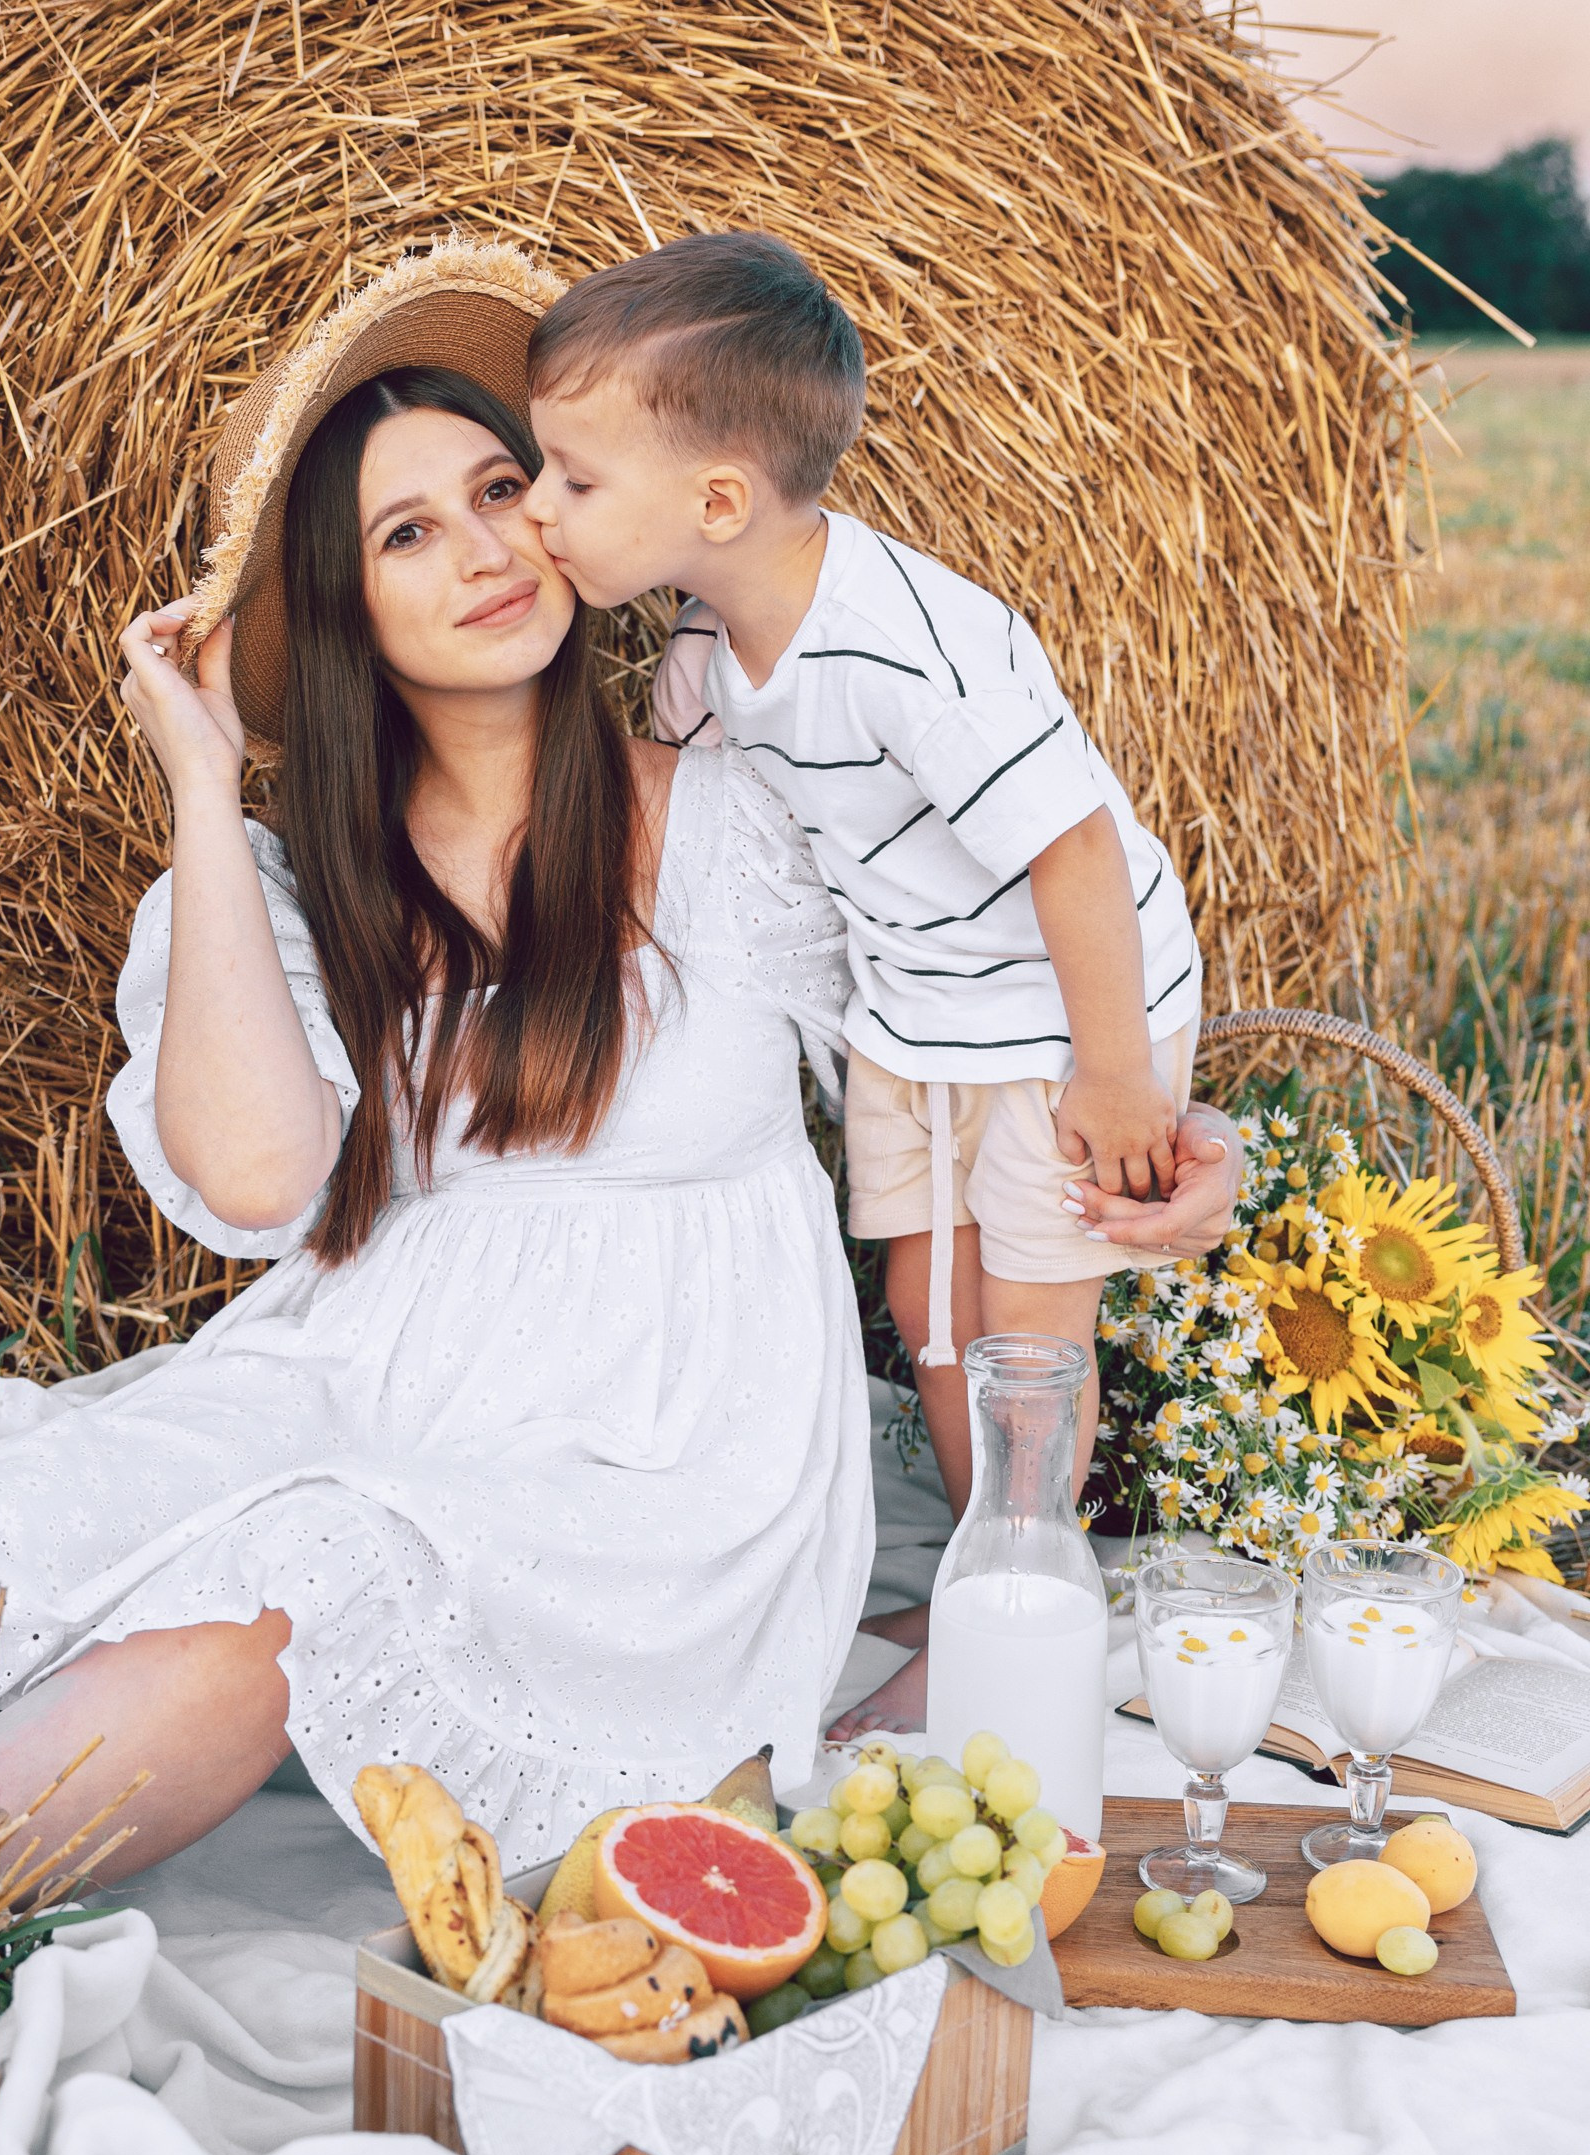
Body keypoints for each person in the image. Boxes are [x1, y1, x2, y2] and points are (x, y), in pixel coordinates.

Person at [0, 243, 871, 2025]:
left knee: (304, 1572)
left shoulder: (744, 815)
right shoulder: (285, 893)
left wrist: (1012, 1494)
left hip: (660, 1463)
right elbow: (265, 1181)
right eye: (408, 533)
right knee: (0, 1525)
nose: (486, 547)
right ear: (345, 609)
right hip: (359, 1369)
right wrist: (203, 785)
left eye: (503, 488)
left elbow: (959, 1096)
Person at [521, 230, 1244, 1734]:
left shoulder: (908, 649)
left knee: (1025, 1335)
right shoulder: (709, 646)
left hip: (1056, 1014)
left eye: (572, 481)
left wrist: (1115, 1075)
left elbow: (1075, 849)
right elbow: (668, 809)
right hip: (915, 1010)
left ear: (718, 502)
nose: (538, 509)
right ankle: (993, 1568)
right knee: (928, 1306)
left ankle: (1020, 1619)